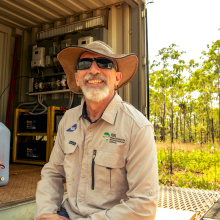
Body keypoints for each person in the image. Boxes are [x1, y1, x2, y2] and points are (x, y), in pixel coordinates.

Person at [35, 41, 159, 220]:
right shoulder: (68, 120)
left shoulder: (138, 127)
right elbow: (52, 173)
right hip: (68, 213)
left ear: (117, 78)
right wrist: (46, 212)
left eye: (104, 63)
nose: (93, 70)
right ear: (77, 78)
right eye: (84, 64)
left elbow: (143, 205)